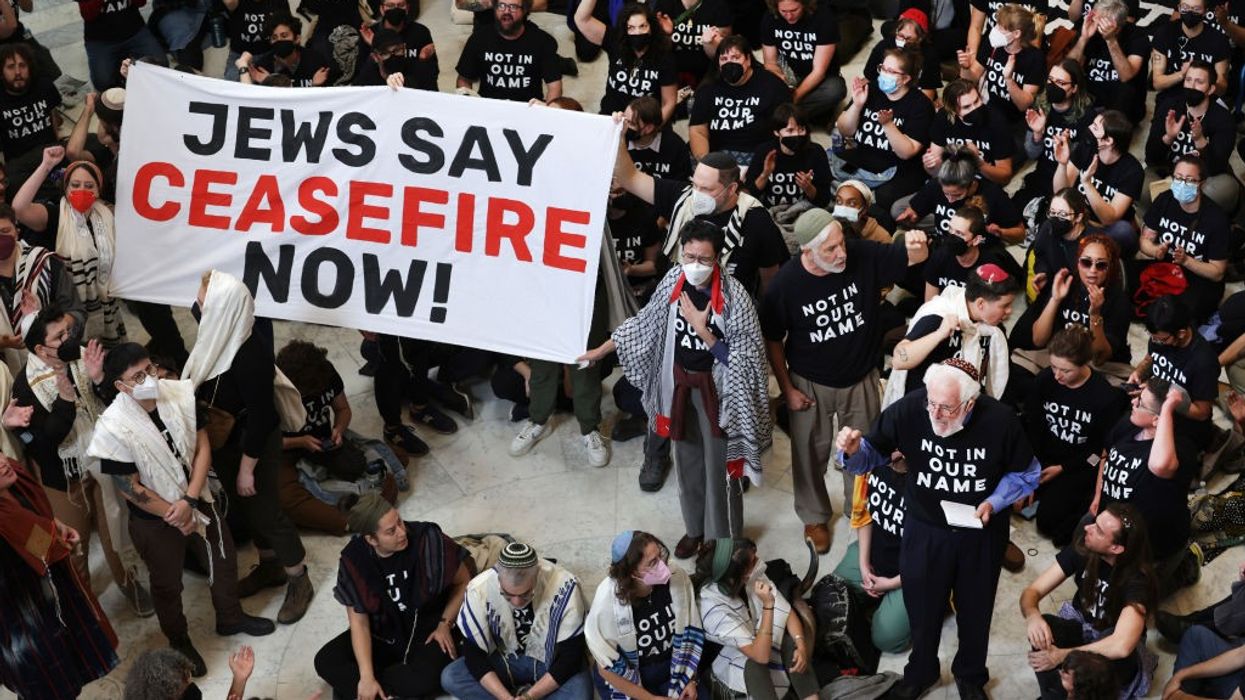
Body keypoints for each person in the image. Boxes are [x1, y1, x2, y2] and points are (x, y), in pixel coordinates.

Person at [837, 359, 1040, 699]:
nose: (935, 414)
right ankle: (921, 672)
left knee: (976, 610)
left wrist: (996, 500)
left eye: (946, 407)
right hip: (925, 527)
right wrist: (853, 452)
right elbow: (871, 456)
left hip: (980, 531)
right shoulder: (910, 409)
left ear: (970, 403)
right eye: (931, 403)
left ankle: (971, 676)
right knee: (922, 605)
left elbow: (1028, 474)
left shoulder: (1001, 421)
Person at [579, 220, 771, 558]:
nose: (695, 265)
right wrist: (600, 351)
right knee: (686, 460)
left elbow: (748, 360)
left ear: (719, 258)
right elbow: (644, 323)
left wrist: (704, 330)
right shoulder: (674, 280)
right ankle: (695, 530)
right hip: (681, 384)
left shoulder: (735, 296)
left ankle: (721, 540)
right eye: (689, 255)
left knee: (722, 466)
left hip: (720, 393)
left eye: (704, 258)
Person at [91, 342, 275, 676]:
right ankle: (179, 640)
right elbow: (127, 487)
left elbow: (202, 445)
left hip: (195, 496)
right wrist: (174, 513)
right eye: (138, 376)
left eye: (149, 369)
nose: (149, 378)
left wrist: (190, 500)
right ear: (121, 386)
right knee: (167, 583)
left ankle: (230, 617)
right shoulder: (113, 425)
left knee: (223, 558)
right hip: (155, 519)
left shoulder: (177, 393)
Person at [761, 208, 928, 551]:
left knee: (864, 450)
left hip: (861, 376)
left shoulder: (861, 254)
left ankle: (862, 510)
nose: (841, 254)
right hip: (810, 382)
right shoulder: (786, 284)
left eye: (841, 244)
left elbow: (914, 258)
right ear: (807, 251)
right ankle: (814, 516)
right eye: (830, 250)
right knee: (809, 453)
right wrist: (787, 389)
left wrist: (916, 245)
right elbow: (773, 339)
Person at [182, 270, 314, 625]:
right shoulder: (218, 333)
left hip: (251, 445)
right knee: (248, 508)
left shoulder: (247, 352)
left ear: (222, 308)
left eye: (203, 301)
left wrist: (246, 468)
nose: (195, 305)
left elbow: (264, 418)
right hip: (229, 441)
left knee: (267, 512)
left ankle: (298, 576)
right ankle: (270, 566)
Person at [14, 303, 152, 615]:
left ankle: (129, 584)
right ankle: (85, 606)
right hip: (63, 479)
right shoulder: (25, 387)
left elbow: (111, 399)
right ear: (40, 348)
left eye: (68, 330)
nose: (69, 337)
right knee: (74, 548)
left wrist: (100, 377)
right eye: (59, 336)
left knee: (116, 531)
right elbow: (44, 444)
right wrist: (64, 399)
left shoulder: (80, 355)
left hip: (102, 461)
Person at [315, 494, 471, 699]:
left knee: (424, 681)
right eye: (391, 531)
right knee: (326, 660)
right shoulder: (354, 560)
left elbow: (464, 581)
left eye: (399, 521)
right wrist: (367, 676)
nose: (402, 532)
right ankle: (378, 690)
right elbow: (359, 623)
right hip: (384, 633)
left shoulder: (427, 540)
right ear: (371, 539)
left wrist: (445, 623)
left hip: (428, 630)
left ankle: (367, 692)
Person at [0, 456, 120, 699]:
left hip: (51, 594)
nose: (3, 461)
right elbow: (33, 540)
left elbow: (34, 523)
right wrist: (51, 539)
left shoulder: (13, 482)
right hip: (21, 616)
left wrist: (56, 526)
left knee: (69, 667)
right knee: (47, 684)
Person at [612, 144, 789, 297]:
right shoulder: (681, 198)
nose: (697, 194)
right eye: (695, 185)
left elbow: (770, 279)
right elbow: (630, 178)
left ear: (731, 189)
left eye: (706, 189)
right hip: (675, 299)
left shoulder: (756, 219)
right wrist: (620, 139)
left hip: (729, 309)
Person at [1020, 503, 1157, 699]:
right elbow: (1032, 591)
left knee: (1088, 669)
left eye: (1099, 530)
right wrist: (1033, 615)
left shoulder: (1138, 580)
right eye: (1095, 522)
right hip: (1084, 627)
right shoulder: (1085, 545)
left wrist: (1062, 655)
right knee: (1044, 629)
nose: (1087, 528)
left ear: (1116, 547)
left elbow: (1121, 645)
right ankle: (1054, 695)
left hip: (1111, 650)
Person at [1091, 377, 1201, 598]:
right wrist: (1097, 497)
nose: (1133, 403)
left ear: (1158, 420)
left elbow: (1160, 466)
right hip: (1115, 526)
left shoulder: (1181, 452)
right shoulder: (1131, 424)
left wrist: (1168, 406)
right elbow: (1105, 455)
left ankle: (1183, 568)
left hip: (1151, 546)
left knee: (1129, 599)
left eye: (1141, 402)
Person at [441, 542, 593, 699]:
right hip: (505, 659)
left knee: (580, 692)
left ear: (537, 575)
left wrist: (530, 696)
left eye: (526, 593)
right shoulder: (479, 589)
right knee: (451, 677)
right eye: (508, 594)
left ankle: (532, 692)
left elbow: (571, 656)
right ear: (498, 579)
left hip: (550, 661)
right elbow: (473, 653)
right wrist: (505, 697)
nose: (517, 602)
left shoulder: (565, 586)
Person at [13, 146, 125, 346]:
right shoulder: (56, 216)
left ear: (99, 190)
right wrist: (46, 166)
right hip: (66, 310)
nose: (82, 190)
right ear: (66, 187)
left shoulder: (108, 216)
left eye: (89, 186)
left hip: (107, 307)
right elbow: (19, 208)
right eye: (75, 184)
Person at [694, 537, 818, 698]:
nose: (758, 562)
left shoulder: (749, 577)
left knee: (790, 644)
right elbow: (761, 655)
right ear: (737, 576)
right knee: (755, 666)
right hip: (734, 662)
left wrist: (801, 644)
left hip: (758, 642)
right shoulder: (713, 608)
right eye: (753, 562)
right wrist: (767, 605)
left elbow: (786, 613)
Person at [585, 530, 704, 698]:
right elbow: (605, 667)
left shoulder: (677, 577)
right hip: (632, 674)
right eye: (652, 562)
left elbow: (690, 631)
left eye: (660, 555)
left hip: (675, 665)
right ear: (632, 572)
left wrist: (691, 679)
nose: (663, 565)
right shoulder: (606, 604)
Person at [889, 263, 1018, 399]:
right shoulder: (938, 317)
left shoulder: (993, 330)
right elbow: (898, 360)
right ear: (981, 304)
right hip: (923, 403)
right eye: (1005, 305)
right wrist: (939, 334)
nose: (1010, 311)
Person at [832, 46, 934, 208]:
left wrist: (888, 125)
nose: (884, 74)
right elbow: (845, 130)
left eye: (891, 71)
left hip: (899, 169)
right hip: (864, 157)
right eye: (883, 68)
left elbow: (907, 152)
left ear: (906, 78)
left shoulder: (920, 105)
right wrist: (857, 106)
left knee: (882, 200)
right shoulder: (871, 89)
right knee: (833, 175)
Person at [1013, 231, 1133, 366]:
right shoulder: (1065, 284)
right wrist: (1055, 299)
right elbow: (1038, 340)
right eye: (1086, 262)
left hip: (1097, 367)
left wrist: (1095, 315)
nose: (1092, 270)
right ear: (1078, 263)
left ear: (1110, 268)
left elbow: (1099, 358)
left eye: (1101, 265)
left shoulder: (1119, 300)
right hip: (1060, 357)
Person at [832, 451, 911, 653]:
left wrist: (892, 583)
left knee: (886, 639)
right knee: (835, 591)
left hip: (915, 573)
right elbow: (864, 515)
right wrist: (864, 564)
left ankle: (926, 606)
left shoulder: (932, 483)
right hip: (877, 553)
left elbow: (934, 557)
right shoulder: (874, 460)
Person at [1138, 155, 1231, 324]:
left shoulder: (1216, 219)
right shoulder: (1164, 200)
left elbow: (1217, 272)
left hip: (1199, 279)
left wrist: (1187, 261)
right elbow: (1145, 240)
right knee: (1125, 284)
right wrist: (1155, 250)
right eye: (1178, 178)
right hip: (1166, 268)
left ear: (1201, 183)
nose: (1182, 184)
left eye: (1189, 180)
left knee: (1177, 316)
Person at [1143, 62, 1238, 214]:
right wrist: (1168, 137)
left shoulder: (1223, 118)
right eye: (1188, 80)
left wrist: (1200, 140)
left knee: (1226, 188)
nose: (1192, 86)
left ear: (1211, 89)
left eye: (1199, 82)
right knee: (1142, 183)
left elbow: (1216, 167)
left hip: (1202, 181)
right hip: (1170, 174)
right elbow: (1151, 158)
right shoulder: (1170, 106)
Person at [0, 202, 81, 375]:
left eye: (4, 232)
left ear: (17, 231)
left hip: (55, 367)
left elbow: (76, 311)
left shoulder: (45, 263)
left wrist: (45, 322)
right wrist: (3, 343)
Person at [1129, 295, 1221, 445]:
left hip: (1185, 425)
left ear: (1181, 333)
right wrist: (1139, 372)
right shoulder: (1160, 337)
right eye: (1152, 337)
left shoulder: (1203, 362)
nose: (1156, 342)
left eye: (1161, 339)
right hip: (1153, 409)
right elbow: (1150, 359)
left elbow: (1202, 413)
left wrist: (1161, 393)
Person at [1052, 110, 1143, 257]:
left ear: (1108, 141)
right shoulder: (1086, 148)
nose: (1088, 128)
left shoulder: (1132, 171)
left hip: (1106, 228)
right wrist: (1062, 164)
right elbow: (1060, 192)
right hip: (1079, 221)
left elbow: (1109, 218)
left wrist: (1087, 184)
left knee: (1124, 232)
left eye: (1095, 127)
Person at [688, 36, 791, 165]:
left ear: (748, 59)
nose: (729, 63)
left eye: (735, 58)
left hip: (759, 154)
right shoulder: (708, 88)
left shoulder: (772, 85)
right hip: (717, 154)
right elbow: (698, 131)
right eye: (724, 59)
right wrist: (707, 162)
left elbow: (786, 126)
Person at [1012, 59, 1097, 213]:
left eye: (1060, 82)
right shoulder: (1041, 105)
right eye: (1050, 80)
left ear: (1074, 88)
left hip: (1069, 178)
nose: (1053, 86)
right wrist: (1037, 133)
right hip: (1042, 173)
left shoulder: (1086, 116)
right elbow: (1031, 154)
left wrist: (1067, 150)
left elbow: (1079, 163)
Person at [895, 145, 1024, 244]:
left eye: (956, 195)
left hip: (980, 254)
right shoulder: (936, 186)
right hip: (944, 247)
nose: (950, 200)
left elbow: (1020, 233)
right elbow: (914, 212)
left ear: (972, 184)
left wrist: (1001, 232)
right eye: (946, 194)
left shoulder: (993, 194)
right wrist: (911, 217)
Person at [577, 2, 676, 119]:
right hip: (611, 116)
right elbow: (582, 19)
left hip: (645, 122)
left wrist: (651, 130)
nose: (637, 32)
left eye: (643, 26)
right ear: (624, 29)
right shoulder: (615, 41)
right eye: (631, 28)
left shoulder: (664, 55)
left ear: (651, 27)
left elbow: (669, 103)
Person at [456, 0, 562, 102]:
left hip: (528, 108)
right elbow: (464, 80)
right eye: (501, 6)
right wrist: (469, 104)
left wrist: (548, 112)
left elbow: (554, 87)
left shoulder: (543, 41)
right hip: (489, 106)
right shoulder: (479, 39)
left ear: (524, 10)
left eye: (513, 7)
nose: (506, 11)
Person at [959, 3, 1043, 129]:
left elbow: (1023, 105)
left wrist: (1009, 80)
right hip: (990, 113)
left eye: (1001, 27)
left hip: (1017, 122)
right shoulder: (992, 44)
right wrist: (965, 68)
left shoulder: (1035, 58)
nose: (995, 30)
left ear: (1016, 34)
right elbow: (972, 79)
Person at [759, 0, 844, 123]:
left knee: (834, 90)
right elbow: (770, 63)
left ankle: (784, 117)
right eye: (783, 11)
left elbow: (818, 71)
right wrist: (779, 78)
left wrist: (794, 97)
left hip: (819, 80)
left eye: (794, 10)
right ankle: (796, 115)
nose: (789, 16)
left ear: (804, 5)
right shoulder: (770, 17)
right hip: (789, 74)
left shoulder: (824, 17)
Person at [1065, 0, 1148, 123]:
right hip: (1091, 96)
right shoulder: (1091, 29)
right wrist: (1083, 38)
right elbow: (1068, 69)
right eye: (1095, 18)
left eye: (1101, 21)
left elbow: (1126, 76)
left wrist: (1111, 41)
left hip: (1121, 103)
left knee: (1125, 90)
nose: (1096, 23)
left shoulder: (1137, 37)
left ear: (1117, 26)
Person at [921, 206, 1023, 301]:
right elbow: (930, 303)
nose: (951, 236)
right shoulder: (939, 256)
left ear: (976, 240)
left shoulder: (992, 264)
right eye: (950, 229)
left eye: (959, 233)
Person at [924, 79, 1014, 186]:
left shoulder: (996, 120)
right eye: (967, 107)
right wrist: (930, 165)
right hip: (951, 181)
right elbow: (935, 172)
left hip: (983, 184)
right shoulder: (943, 118)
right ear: (953, 110)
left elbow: (1005, 177)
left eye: (977, 101)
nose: (975, 108)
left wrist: (979, 164)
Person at [747, 104, 832, 209]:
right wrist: (765, 174)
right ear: (777, 132)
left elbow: (824, 200)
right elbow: (749, 195)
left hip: (804, 211)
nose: (796, 134)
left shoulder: (816, 152)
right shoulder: (764, 151)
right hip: (770, 210)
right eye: (790, 130)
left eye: (801, 129)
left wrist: (808, 188)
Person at [76, 0, 165, 90]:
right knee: (102, 83)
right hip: (101, 40)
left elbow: (141, 3)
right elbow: (88, 15)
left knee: (161, 65)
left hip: (134, 30)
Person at [1150, 0, 1230, 99]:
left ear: (1205, 11)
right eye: (1185, 7)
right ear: (1179, 8)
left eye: (1197, 9)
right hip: (1172, 96)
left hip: (1206, 98)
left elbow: (1222, 86)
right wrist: (1182, 75)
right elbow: (1157, 83)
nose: (1190, 13)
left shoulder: (1219, 40)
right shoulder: (1164, 33)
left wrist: (1203, 84)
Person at [0, 43, 59, 171]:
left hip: (52, 154)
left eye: (22, 65)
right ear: (1, 72)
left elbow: (54, 118)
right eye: (10, 67)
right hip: (20, 165)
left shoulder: (44, 85)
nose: (17, 72)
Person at [863, 9, 941, 102]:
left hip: (913, 101)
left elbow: (928, 95)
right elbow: (869, 77)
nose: (903, 41)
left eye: (908, 38)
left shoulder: (929, 55)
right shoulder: (884, 46)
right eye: (900, 36)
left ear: (920, 38)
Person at [240, 13, 334, 87]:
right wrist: (268, 83)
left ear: (297, 39)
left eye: (284, 36)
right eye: (274, 37)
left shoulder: (316, 61)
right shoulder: (263, 66)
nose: (279, 40)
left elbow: (327, 100)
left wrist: (316, 87)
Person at [655, 0, 732, 88]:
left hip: (707, 76)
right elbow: (658, 51)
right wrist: (667, 35)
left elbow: (721, 54)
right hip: (671, 76)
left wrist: (709, 43)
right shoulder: (664, 4)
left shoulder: (719, 5)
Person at [624, 96, 692, 182]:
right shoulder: (619, 141)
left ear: (648, 128)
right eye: (624, 119)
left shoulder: (675, 146)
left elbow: (682, 185)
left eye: (631, 123)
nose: (624, 126)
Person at [221, 0, 284, 81]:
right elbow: (230, 3)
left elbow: (286, 24)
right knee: (231, 87)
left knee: (275, 86)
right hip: (239, 54)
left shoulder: (278, 3)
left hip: (269, 53)